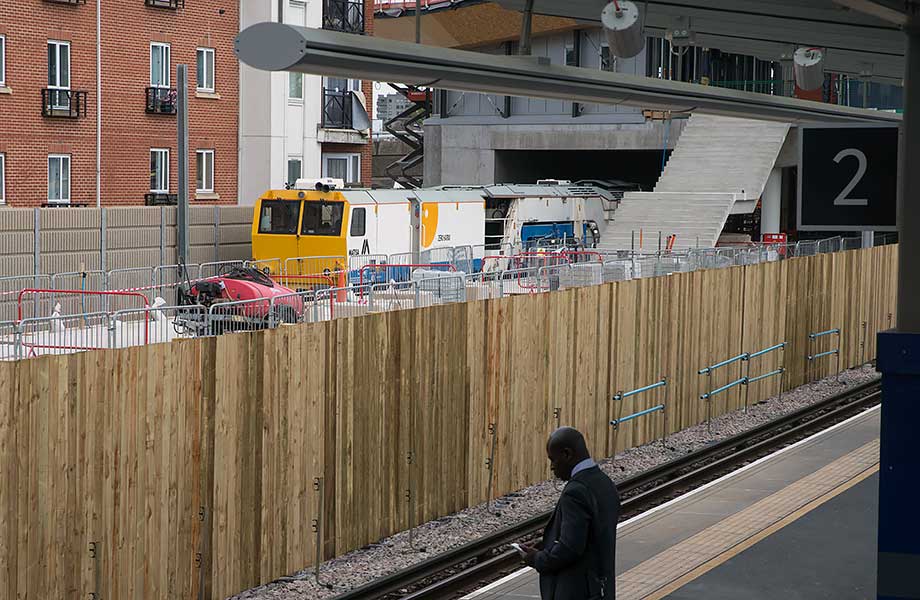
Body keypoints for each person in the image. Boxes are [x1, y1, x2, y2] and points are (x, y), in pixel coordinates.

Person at [519, 427, 621, 600]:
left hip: (577, 591)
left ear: (567, 454)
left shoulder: (575, 492)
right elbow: (590, 536)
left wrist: (537, 559)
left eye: (553, 460)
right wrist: (548, 543)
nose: (552, 467)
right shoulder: (605, 482)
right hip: (601, 588)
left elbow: (570, 548)